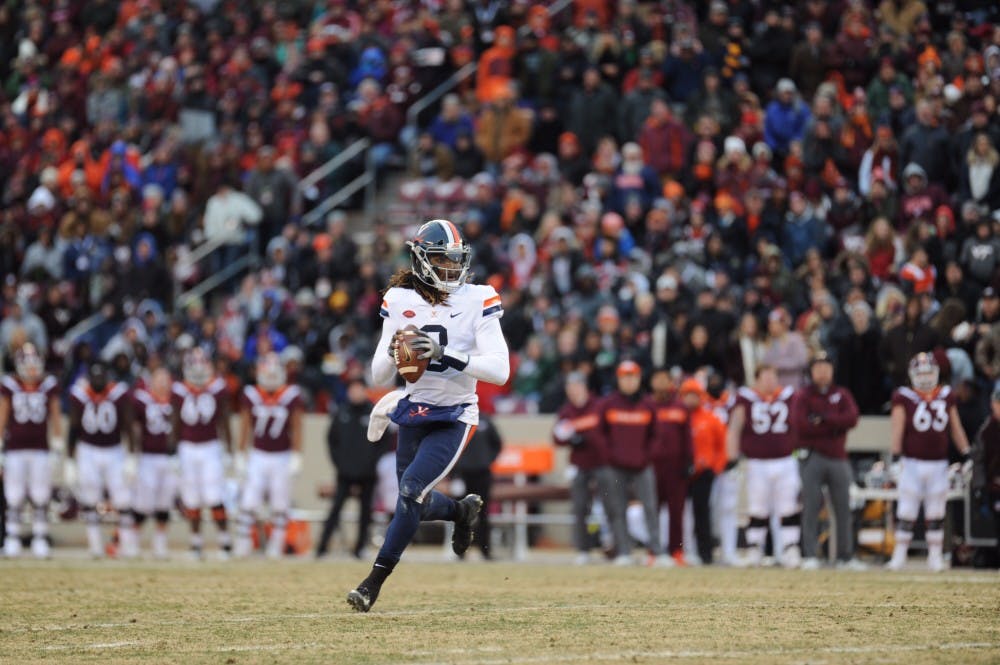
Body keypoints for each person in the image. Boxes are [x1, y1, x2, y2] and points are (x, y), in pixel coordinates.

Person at [348, 219, 510, 612]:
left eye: (456, 262)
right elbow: (379, 375)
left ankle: (372, 583)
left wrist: (442, 354)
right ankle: (460, 510)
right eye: (442, 261)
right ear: (423, 260)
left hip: (455, 413)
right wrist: (398, 352)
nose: (452, 270)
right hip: (415, 409)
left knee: (409, 491)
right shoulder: (400, 299)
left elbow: (501, 371)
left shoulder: (479, 297)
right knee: (412, 499)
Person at [886, 353, 972, 572]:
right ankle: (899, 556)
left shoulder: (945, 394)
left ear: (936, 374)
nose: (924, 378)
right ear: (912, 375)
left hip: (939, 464)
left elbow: (955, 427)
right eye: (920, 374)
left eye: (928, 373)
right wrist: (895, 456)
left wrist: (966, 452)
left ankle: (935, 557)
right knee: (907, 509)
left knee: (936, 510)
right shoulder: (903, 396)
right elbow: (897, 428)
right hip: (912, 462)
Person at [792, 352, 864, 570]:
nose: (822, 372)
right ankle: (810, 554)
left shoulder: (841, 394)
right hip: (813, 456)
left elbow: (852, 418)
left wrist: (823, 419)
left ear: (832, 371)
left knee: (843, 508)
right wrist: (834, 426)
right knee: (811, 507)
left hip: (839, 457)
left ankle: (845, 556)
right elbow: (800, 425)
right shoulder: (803, 396)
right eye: (818, 367)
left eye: (826, 367)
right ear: (811, 371)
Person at [726, 365, 801, 567]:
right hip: (756, 462)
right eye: (766, 376)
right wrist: (732, 457)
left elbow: (798, 423)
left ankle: (790, 549)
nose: (770, 380)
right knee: (757, 508)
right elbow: (735, 426)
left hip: (785, 460)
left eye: (773, 376)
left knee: (789, 506)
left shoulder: (789, 396)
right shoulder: (746, 398)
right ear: (757, 379)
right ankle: (754, 549)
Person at [234, 352, 304, 559]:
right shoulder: (251, 394)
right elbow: (245, 425)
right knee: (249, 500)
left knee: (280, 503)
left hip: (281, 455)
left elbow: (297, 426)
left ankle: (276, 544)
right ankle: (243, 543)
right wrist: (240, 453)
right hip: (258, 454)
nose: (272, 379)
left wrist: (297, 455)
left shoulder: (290, 394)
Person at [600, 360, 670, 566]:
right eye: (625, 377)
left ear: (639, 379)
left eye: (633, 377)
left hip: (642, 465)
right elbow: (600, 435)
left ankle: (656, 552)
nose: (629, 382)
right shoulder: (609, 404)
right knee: (617, 509)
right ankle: (623, 552)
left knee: (650, 507)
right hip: (616, 466)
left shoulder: (648, 405)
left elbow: (657, 435)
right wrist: (611, 456)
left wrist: (647, 456)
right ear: (619, 379)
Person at [67, 360, 134, 559]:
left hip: (114, 449)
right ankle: (95, 544)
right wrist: (69, 460)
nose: (98, 380)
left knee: (122, 499)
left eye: (101, 376)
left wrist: (131, 455)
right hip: (88, 449)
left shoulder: (118, 394)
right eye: (94, 376)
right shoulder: (80, 395)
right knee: (89, 497)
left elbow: (128, 425)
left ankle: (126, 545)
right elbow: (73, 427)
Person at [0, 344, 62, 559]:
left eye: (35, 365)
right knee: (14, 496)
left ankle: (40, 538)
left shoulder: (48, 385)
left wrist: (58, 446)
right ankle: (12, 538)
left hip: (40, 450)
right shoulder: (10, 385)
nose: (33, 370)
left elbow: (55, 416)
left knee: (40, 495)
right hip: (15, 449)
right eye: (29, 365)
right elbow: (3, 416)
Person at [171, 348, 233, 560]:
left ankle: (224, 541)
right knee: (192, 498)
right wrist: (173, 451)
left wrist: (229, 450)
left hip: (211, 447)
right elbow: (175, 422)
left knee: (214, 495)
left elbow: (224, 420)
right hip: (188, 447)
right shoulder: (179, 389)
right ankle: (195, 543)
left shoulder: (217, 387)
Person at [316, 378, 387, 559]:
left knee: (365, 512)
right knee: (335, 509)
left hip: (368, 473)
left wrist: (371, 463)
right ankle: (322, 548)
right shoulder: (341, 412)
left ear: (365, 391)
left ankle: (360, 548)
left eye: (359, 389)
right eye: (352, 390)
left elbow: (384, 441)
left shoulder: (373, 412)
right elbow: (331, 441)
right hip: (345, 472)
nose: (356, 393)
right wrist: (340, 464)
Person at [553, 372, 612, 565]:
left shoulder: (599, 405)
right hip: (580, 463)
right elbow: (557, 438)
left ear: (584, 387)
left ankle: (615, 546)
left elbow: (610, 431)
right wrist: (571, 438)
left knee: (611, 505)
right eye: (570, 388)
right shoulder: (566, 411)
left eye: (576, 386)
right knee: (580, 507)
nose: (573, 391)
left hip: (602, 462)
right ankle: (583, 549)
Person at [129, 368, 176, 559]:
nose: (163, 384)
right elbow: (133, 425)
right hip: (147, 457)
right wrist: (133, 454)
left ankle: (160, 543)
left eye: (166, 379)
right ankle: (132, 542)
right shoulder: (142, 400)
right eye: (159, 379)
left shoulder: (177, 400)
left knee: (165, 502)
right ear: (151, 382)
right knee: (143, 503)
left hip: (170, 458)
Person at [679, 378, 726, 566]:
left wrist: (715, 468)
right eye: (687, 395)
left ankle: (705, 553)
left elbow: (721, 446)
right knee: (680, 514)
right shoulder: (677, 417)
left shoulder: (710, 418)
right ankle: (682, 550)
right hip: (680, 472)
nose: (691, 399)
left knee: (702, 513)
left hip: (703, 473)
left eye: (694, 395)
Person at [650, 368, 693, 565]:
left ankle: (677, 550)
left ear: (670, 382)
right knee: (652, 510)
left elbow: (687, 438)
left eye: (664, 379)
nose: (660, 383)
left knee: (676, 511)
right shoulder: (647, 406)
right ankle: (653, 550)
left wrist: (689, 461)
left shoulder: (680, 407)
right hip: (652, 466)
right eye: (657, 379)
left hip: (675, 467)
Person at [453, 412, 503, 560]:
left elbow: (497, 443)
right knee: (462, 513)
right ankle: (460, 550)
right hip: (462, 473)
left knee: (483, 512)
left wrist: (488, 460)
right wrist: (455, 473)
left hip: (482, 473)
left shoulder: (485, 421)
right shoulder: (457, 419)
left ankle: (485, 550)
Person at [972, 389, 1000, 566]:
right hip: (995, 487)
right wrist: (980, 487)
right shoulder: (987, 430)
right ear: (993, 405)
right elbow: (979, 461)